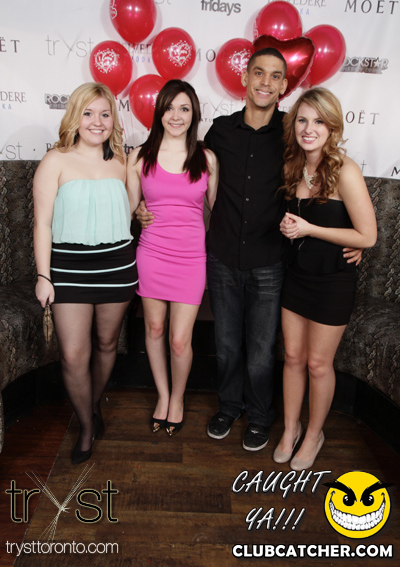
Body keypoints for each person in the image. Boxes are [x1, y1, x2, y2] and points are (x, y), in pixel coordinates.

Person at [137, 49, 361, 451]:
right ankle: (229, 406)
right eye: (259, 73)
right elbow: (186, 176)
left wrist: (352, 239)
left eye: (275, 76)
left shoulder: (293, 133)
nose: (265, 82)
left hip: (269, 258)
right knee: (226, 344)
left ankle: (259, 417)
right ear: (245, 77)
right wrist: (143, 206)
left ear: (284, 85)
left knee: (261, 348)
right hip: (221, 254)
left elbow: (318, 185)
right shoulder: (220, 132)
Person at [33, 82, 137, 465]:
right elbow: (42, 224)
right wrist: (44, 276)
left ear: (114, 119)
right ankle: (87, 425)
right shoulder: (54, 160)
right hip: (68, 269)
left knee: (107, 345)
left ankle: (92, 404)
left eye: (105, 114)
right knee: (73, 355)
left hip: (117, 267)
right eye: (89, 113)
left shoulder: (124, 160)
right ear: (75, 117)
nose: (97, 121)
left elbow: (132, 208)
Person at [273, 87, 377, 470]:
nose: (309, 128)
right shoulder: (292, 166)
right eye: (302, 120)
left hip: (333, 281)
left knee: (318, 364)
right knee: (292, 358)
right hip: (296, 276)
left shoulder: (345, 170)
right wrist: (289, 227)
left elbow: (368, 236)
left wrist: (309, 229)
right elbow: (294, 223)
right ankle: (290, 429)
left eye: (318, 121)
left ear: (332, 126)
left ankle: (314, 434)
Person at [127, 80, 218, 436]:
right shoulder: (140, 156)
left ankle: (178, 399)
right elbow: (131, 208)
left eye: (184, 108)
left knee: (180, 340)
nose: (176, 116)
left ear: (194, 113)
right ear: (159, 113)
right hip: (152, 253)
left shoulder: (207, 158)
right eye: (169, 108)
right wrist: (138, 210)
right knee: (154, 328)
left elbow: (220, 213)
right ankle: (163, 396)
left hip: (192, 258)